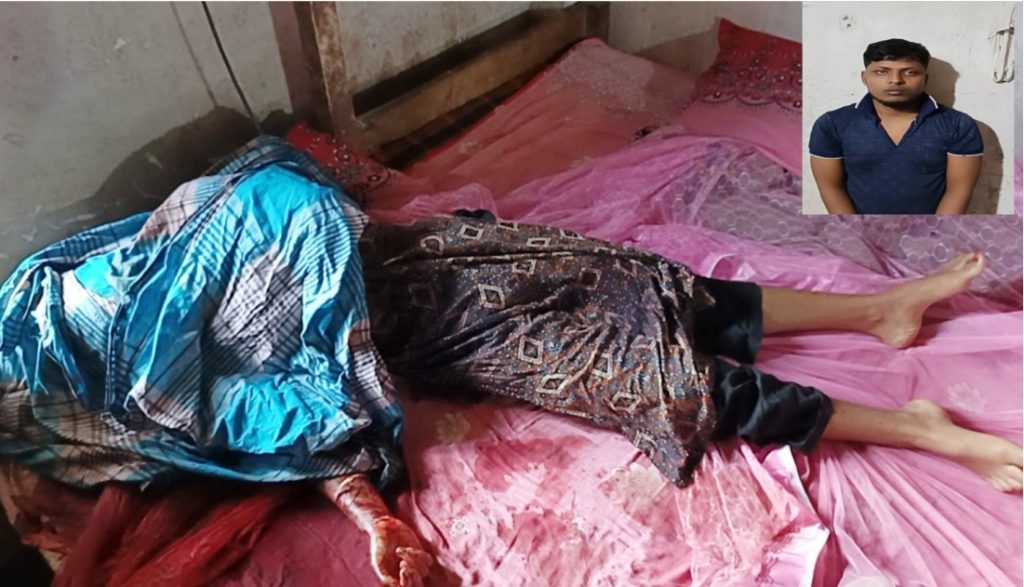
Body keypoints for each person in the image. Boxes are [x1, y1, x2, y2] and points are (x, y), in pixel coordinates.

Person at [323, 213, 1022, 586]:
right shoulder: (253, 368)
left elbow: (310, 198)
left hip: (417, 252)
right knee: (653, 381)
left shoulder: (259, 194)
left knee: (639, 279)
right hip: (418, 326)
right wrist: (376, 519)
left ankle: (878, 310)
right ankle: (920, 428)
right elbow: (302, 434)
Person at [809, 39, 984, 214]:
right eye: (881, 72)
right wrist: (853, 228)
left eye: (910, 72)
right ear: (864, 77)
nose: (895, 80)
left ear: (925, 78)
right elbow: (831, 189)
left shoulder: (958, 125)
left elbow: (958, 192)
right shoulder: (833, 123)